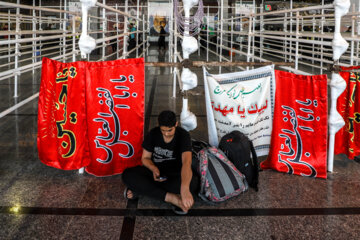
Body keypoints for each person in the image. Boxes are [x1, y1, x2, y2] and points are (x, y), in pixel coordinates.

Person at [122, 110, 198, 215]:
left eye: (170, 130)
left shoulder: (183, 136)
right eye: (163, 130)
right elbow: (145, 158)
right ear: (159, 126)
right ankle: (171, 198)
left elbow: (186, 162)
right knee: (127, 175)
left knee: (193, 183)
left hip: (175, 175)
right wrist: (153, 168)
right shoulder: (153, 134)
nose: (166, 134)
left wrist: (184, 189)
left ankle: (143, 190)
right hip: (156, 173)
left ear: (176, 124)